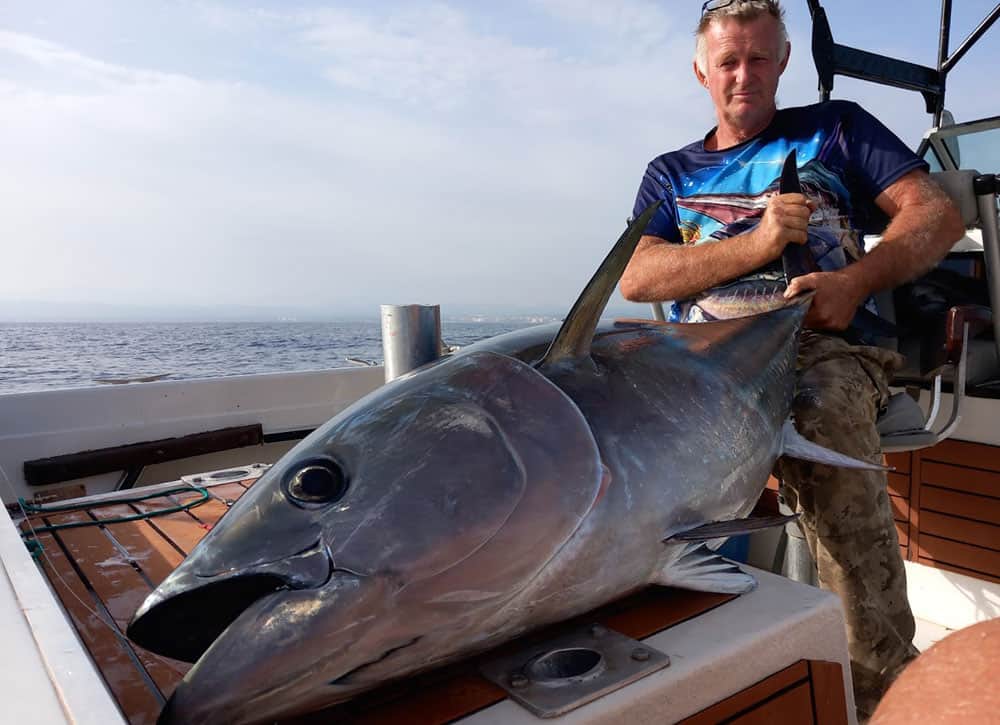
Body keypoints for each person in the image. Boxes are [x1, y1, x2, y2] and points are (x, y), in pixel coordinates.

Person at [620, 0, 964, 719]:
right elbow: (639, 276)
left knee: (820, 413)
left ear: (782, 62)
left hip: (824, 343)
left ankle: (881, 686)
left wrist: (856, 281)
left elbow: (935, 215)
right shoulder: (669, 173)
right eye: (728, 62)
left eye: (758, 58)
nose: (743, 75)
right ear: (700, 71)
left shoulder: (838, 130)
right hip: (704, 362)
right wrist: (756, 244)